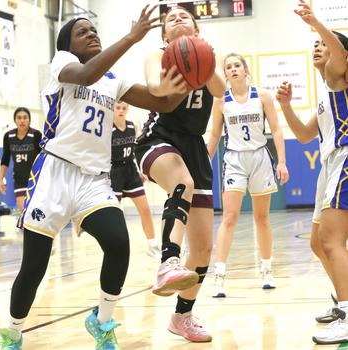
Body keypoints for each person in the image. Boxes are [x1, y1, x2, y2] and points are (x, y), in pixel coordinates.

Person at [0, 5, 189, 350]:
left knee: (118, 243)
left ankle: (101, 323)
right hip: (54, 174)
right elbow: (85, 75)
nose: (92, 34)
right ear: (67, 44)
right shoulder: (61, 65)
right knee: (34, 267)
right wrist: (132, 37)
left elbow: (161, 104)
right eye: (82, 31)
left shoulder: (115, 79)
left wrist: (188, 77)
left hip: (93, 180)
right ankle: (12, 331)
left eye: (94, 29)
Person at [135, 6, 226, 342]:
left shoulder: (206, 55)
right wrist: (179, 70)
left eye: (184, 16)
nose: (176, 17)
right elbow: (155, 88)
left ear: (197, 29)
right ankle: (168, 261)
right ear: (163, 34)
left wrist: (202, 59)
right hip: (159, 137)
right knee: (181, 183)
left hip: (194, 146)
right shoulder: (156, 54)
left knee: (203, 249)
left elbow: (218, 90)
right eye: (169, 17)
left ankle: (182, 317)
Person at [276, 0, 348, 344]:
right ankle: (341, 299)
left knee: (332, 241)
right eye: (314, 44)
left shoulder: (340, 76)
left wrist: (316, 22)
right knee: (320, 243)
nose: (318, 46)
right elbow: (305, 135)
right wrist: (286, 107)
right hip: (329, 165)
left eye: (324, 43)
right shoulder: (326, 93)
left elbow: (339, 50)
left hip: (345, 160)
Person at [207, 53, 289, 297]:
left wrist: (282, 162)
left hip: (260, 157)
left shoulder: (262, 96)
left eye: (236, 66)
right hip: (234, 159)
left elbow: (275, 129)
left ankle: (266, 269)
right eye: (228, 67)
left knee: (262, 218)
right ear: (226, 74)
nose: (232, 69)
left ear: (245, 70)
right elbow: (214, 135)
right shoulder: (220, 100)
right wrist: (203, 162)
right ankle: (219, 275)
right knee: (229, 217)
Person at [110, 100, 160, 259]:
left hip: (130, 170)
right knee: (115, 213)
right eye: (118, 107)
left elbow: (134, 152)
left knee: (145, 209)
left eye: (124, 108)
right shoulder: (108, 129)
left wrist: (141, 171)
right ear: (113, 109)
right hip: (114, 171)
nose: (121, 110)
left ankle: (152, 246)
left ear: (127, 109)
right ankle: (115, 247)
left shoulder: (132, 127)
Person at [0, 107, 42, 213]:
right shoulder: (8, 136)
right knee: (23, 211)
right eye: (19, 118)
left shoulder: (36, 135)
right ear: (15, 120)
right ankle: (23, 229)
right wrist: (1, 179)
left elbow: (43, 157)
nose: (22, 120)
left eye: (25, 118)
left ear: (29, 120)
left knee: (37, 211)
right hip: (19, 179)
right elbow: (5, 159)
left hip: (36, 178)